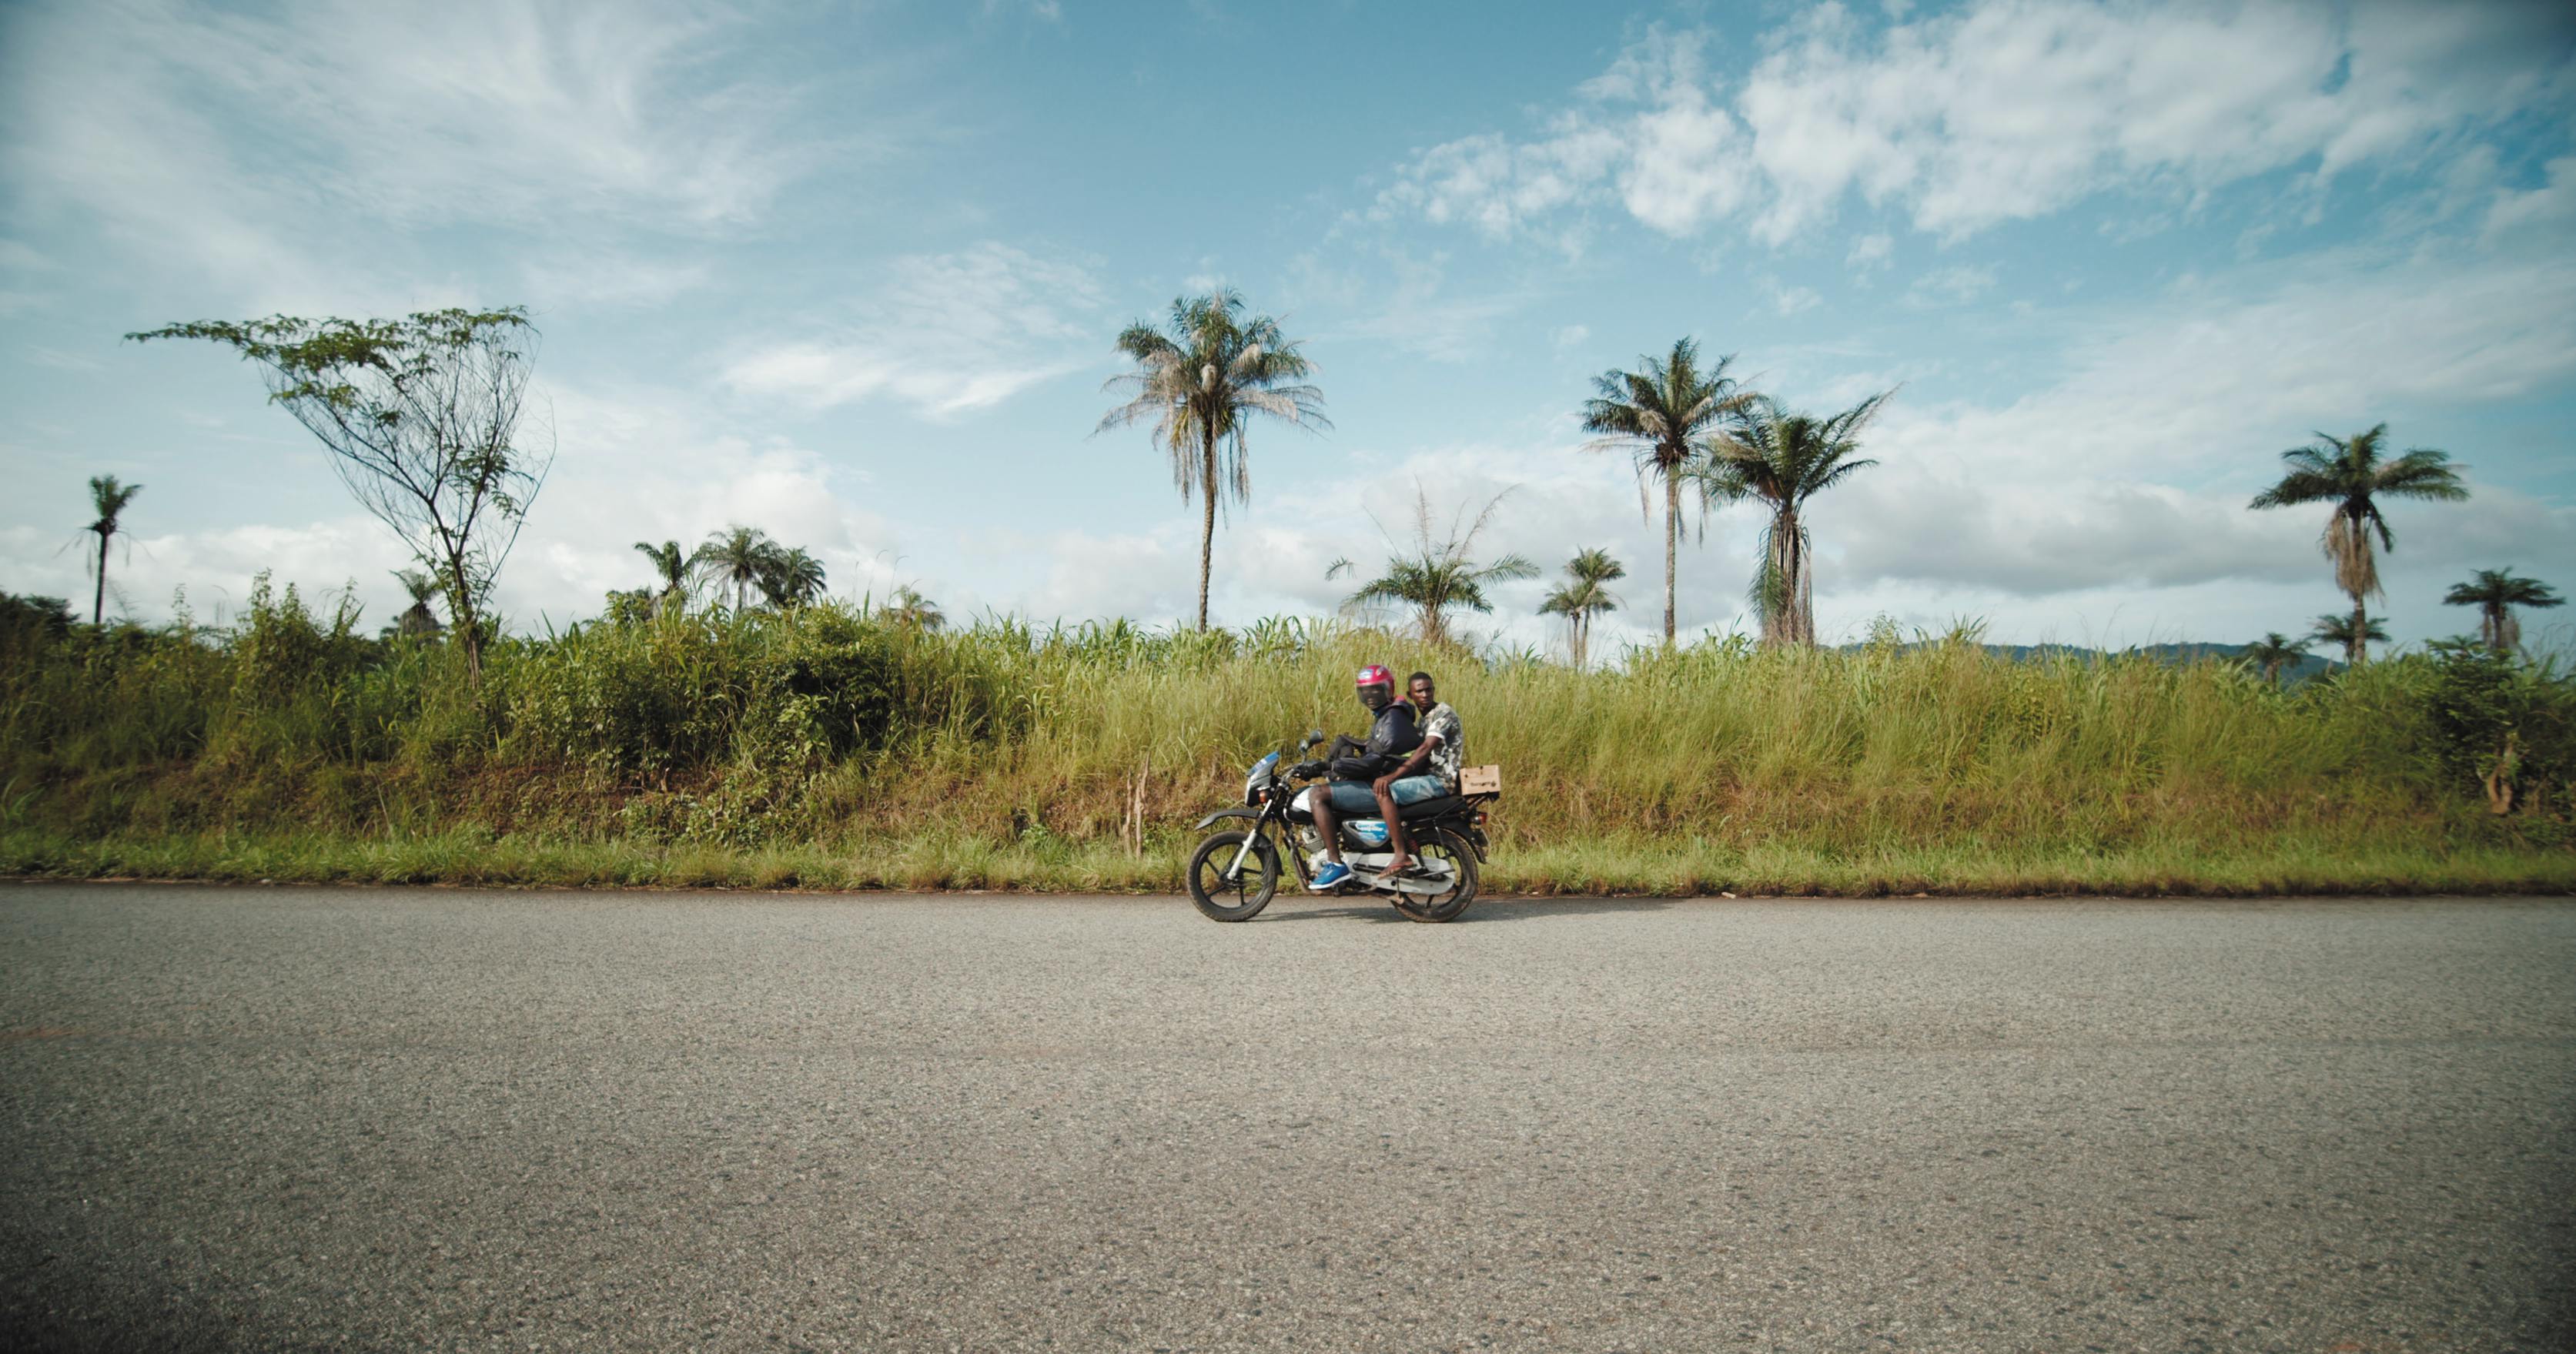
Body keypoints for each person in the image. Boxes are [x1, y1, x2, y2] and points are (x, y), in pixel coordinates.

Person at [1304, 664, 1420, 890]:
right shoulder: (1388, 714)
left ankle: (1335, 863)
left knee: (1317, 795)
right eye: (1365, 692)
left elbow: (1374, 761)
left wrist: (1331, 765)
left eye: (1375, 691)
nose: (1370, 697)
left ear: (1387, 690)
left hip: (1382, 782)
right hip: (1381, 776)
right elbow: (1377, 749)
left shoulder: (1393, 718)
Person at [1371, 671, 1462, 876]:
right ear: (1410, 695)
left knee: (1385, 792)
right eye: (1419, 691)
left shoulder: (1443, 713)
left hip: (1440, 781)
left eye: (1428, 689)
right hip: (1428, 778)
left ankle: (1400, 855)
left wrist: (1391, 777)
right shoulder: (1424, 721)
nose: (1425, 694)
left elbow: (1424, 750)